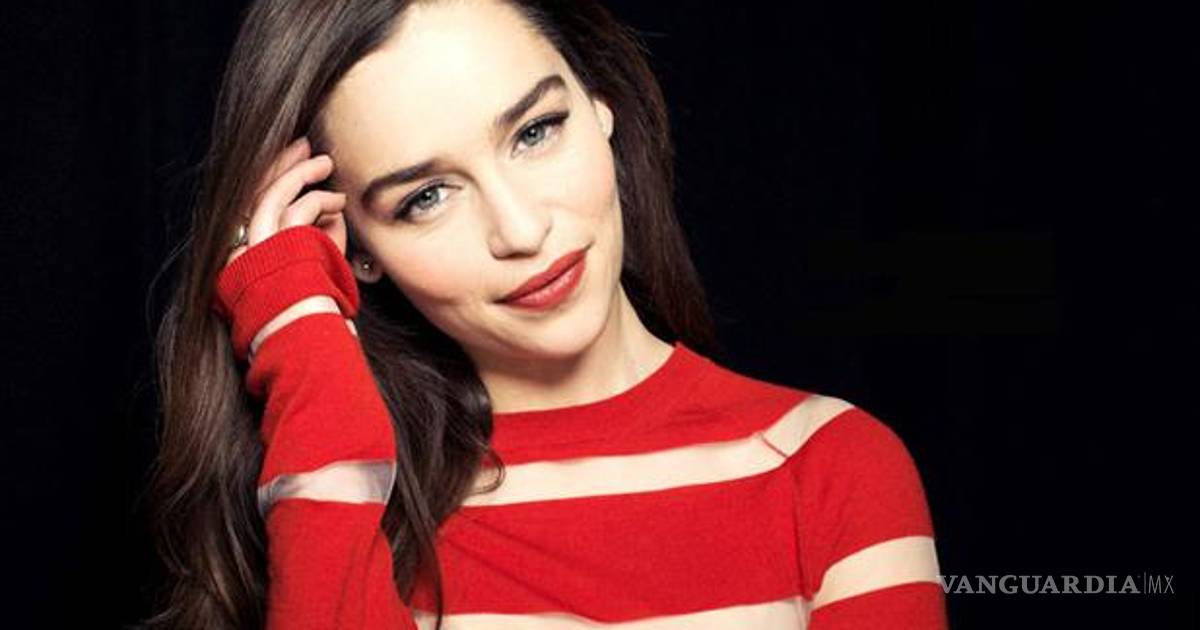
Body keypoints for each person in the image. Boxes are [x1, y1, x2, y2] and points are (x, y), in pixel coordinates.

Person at [144, 0, 948, 628]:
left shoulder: (827, 470)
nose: (522, 230)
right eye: (426, 197)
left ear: (600, 105)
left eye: (535, 131)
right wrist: (304, 352)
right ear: (357, 246)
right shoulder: (362, 512)